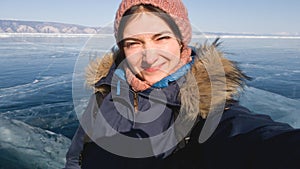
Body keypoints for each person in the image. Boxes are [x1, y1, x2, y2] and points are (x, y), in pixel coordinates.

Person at [64, 0, 300, 168]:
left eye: (162, 38)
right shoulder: (105, 94)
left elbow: (253, 138)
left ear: (181, 41)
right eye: (134, 43)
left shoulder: (207, 111)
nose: (149, 56)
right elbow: (76, 156)